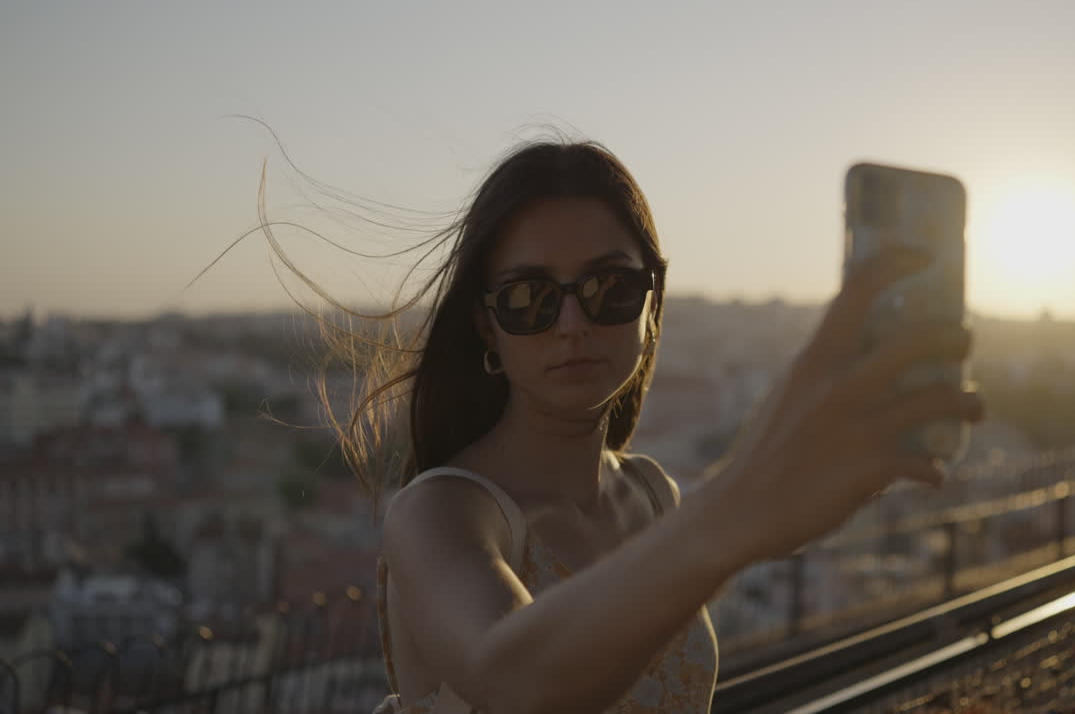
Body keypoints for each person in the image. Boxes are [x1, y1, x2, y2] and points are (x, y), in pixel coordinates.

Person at [350, 140, 983, 713]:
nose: (572, 323)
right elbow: (515, 681)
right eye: (529, 298)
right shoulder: (437, 514)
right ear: (486, 325)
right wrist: (740, 504)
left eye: (610, 287)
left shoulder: (653, 496)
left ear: (653, 303)